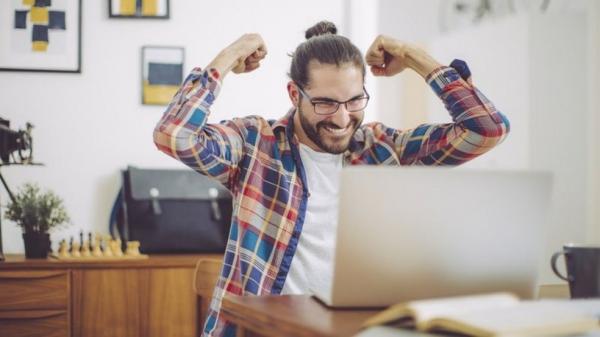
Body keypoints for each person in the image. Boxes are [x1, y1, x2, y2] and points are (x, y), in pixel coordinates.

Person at [153, 20, 509, 337]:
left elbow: (487, 129)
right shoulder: (254, 145)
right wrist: (228, 57)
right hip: (261, 330)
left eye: (354, 101)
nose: (341, 119)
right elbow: (174, 135)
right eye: (325, 103)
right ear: (295, 95)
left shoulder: (385, 149)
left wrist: (411, 54)